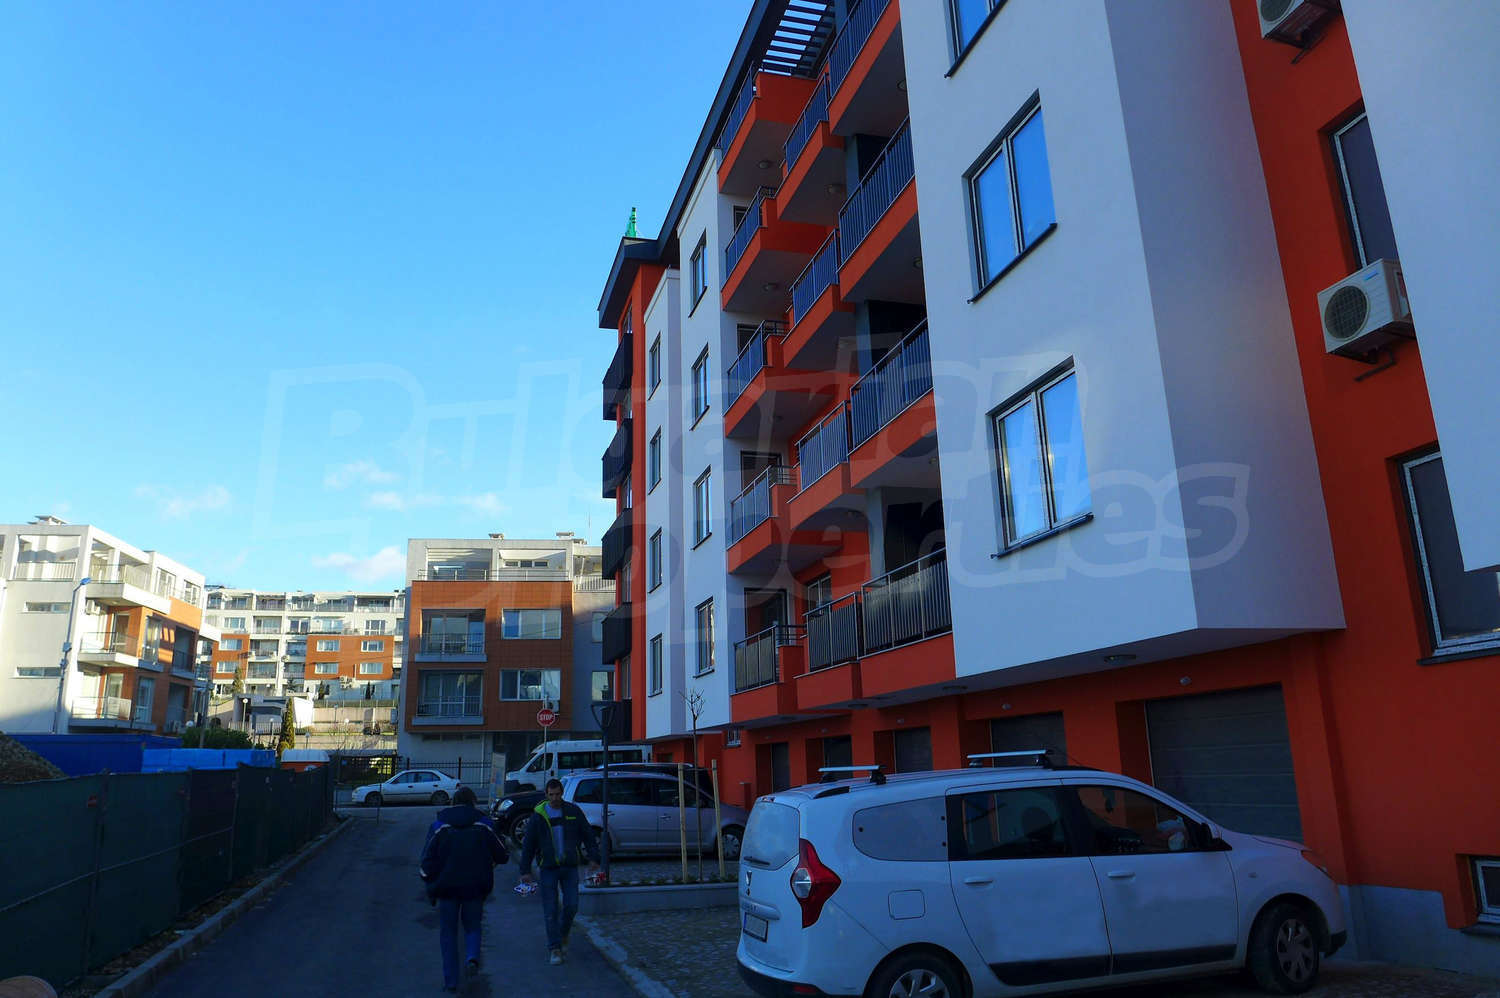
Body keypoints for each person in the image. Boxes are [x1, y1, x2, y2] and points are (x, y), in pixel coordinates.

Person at [419, 786, 509, 992]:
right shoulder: (484, 824)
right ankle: (472, 957)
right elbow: (502, 854)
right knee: (473, 926)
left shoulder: (439, 825)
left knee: (448, 934)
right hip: (475, 886)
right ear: (473, 802)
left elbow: (426, 862)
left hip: (446, 888)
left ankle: (451, 981)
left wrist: (429, 882)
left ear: (453, 802)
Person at [518, 778, 600, 965]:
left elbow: (588, 834)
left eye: (557, 794)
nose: (554, 798)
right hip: (548, 868)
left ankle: (562, 935)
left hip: (569, 866)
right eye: (551, 795)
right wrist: (525, 870)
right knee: (550, 909)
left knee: (572, 905)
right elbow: (528, 844)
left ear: (562, 793)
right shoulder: (538, 816)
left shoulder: (573, 811)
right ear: (546, 794)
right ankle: (554, 948)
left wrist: (593, 858)